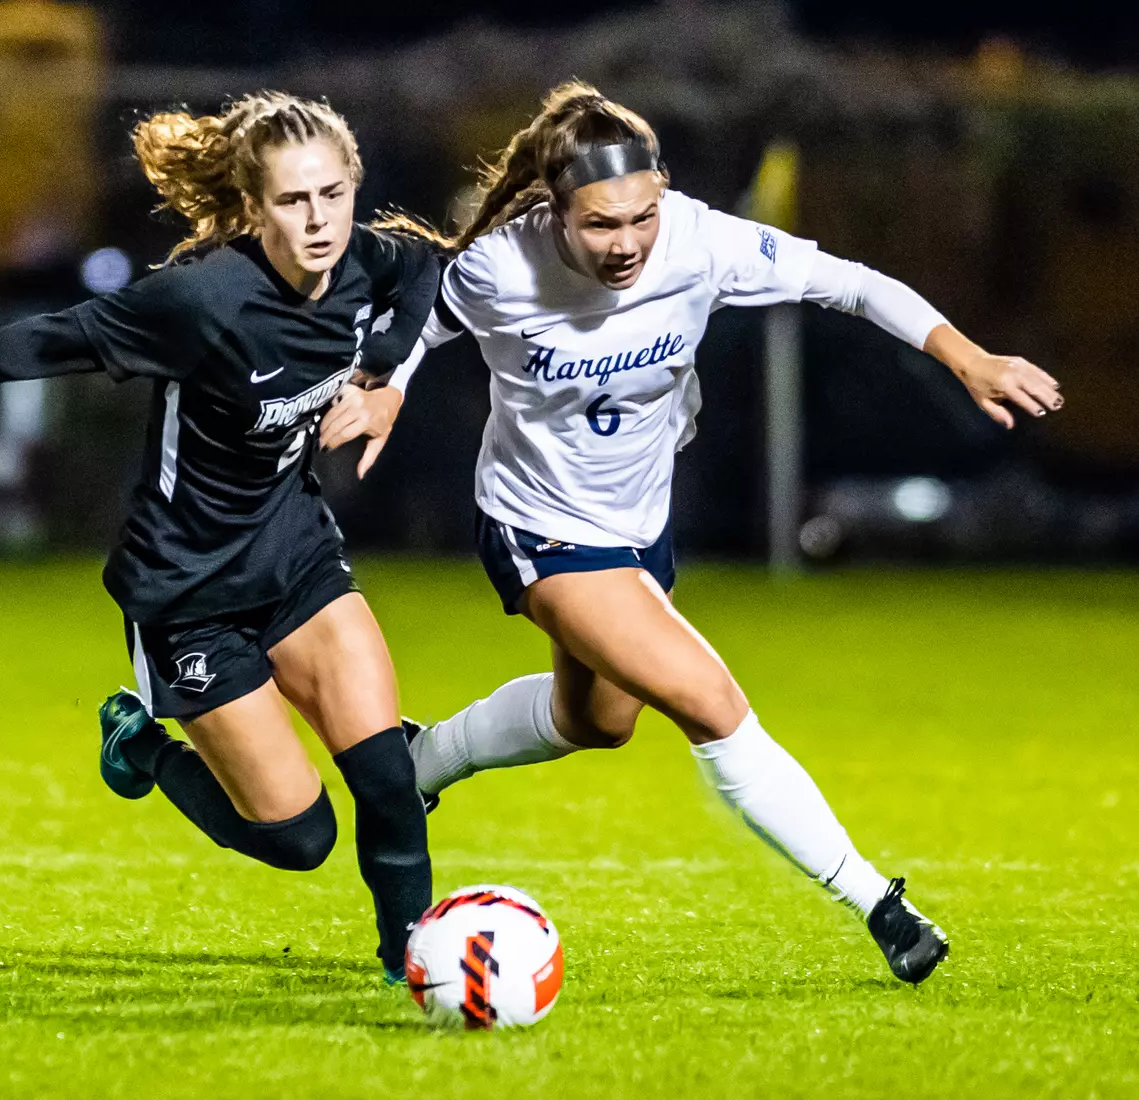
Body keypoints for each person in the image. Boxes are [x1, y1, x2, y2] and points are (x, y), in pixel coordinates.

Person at [340, 82, 1064, 985]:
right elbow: (415, 324)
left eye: (641, 216)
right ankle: (878, 903)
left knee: (594, 722)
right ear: (554, 211)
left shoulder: (698, 241)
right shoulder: (502, 266)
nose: (627, 243)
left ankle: (415, 763)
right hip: (538, 528)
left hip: (641, 526)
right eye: (600, 224)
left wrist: (969, 357)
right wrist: (387, 388)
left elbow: (852, 284)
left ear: (664, 192)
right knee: (710, 703)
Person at [0, 92, 441, 982]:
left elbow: (423, 273)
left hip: (296, 555)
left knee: (384, 781)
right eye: (293, 201)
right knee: (297, 839)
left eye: (333, 193)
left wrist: (380, 376)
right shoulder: (201, 301)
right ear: (253, 209)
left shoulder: (364, 259)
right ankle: (140, 743)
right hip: (186, 593)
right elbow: (37, 342)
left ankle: (419, 966)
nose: (318, 219)